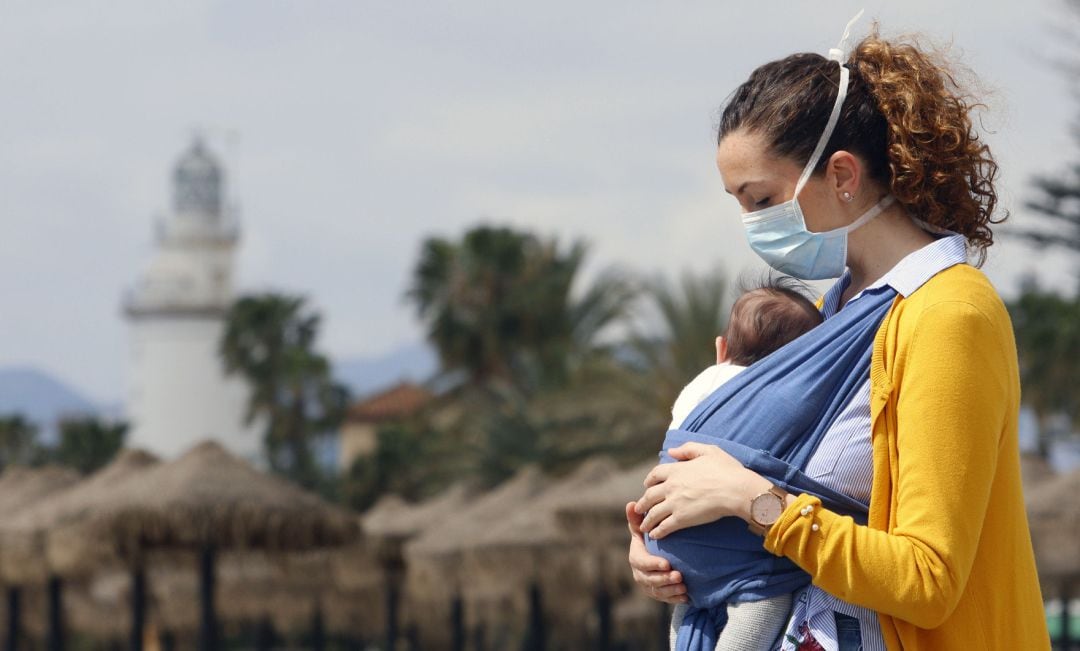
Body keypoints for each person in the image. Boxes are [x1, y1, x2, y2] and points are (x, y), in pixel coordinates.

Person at [625, 18, 1051, 651]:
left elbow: (928, 579)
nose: (750, 223)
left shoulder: (949, 315)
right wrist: (660, 538)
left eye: (759, 197)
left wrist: (753, 503)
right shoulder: (832, 312)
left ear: (843, 176)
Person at [665, 278, 824, 651]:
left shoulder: (699, 386)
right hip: (743, 564)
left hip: (675, 549)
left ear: (721, 349)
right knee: (765, 603)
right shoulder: (786, 398)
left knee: (686, 616)